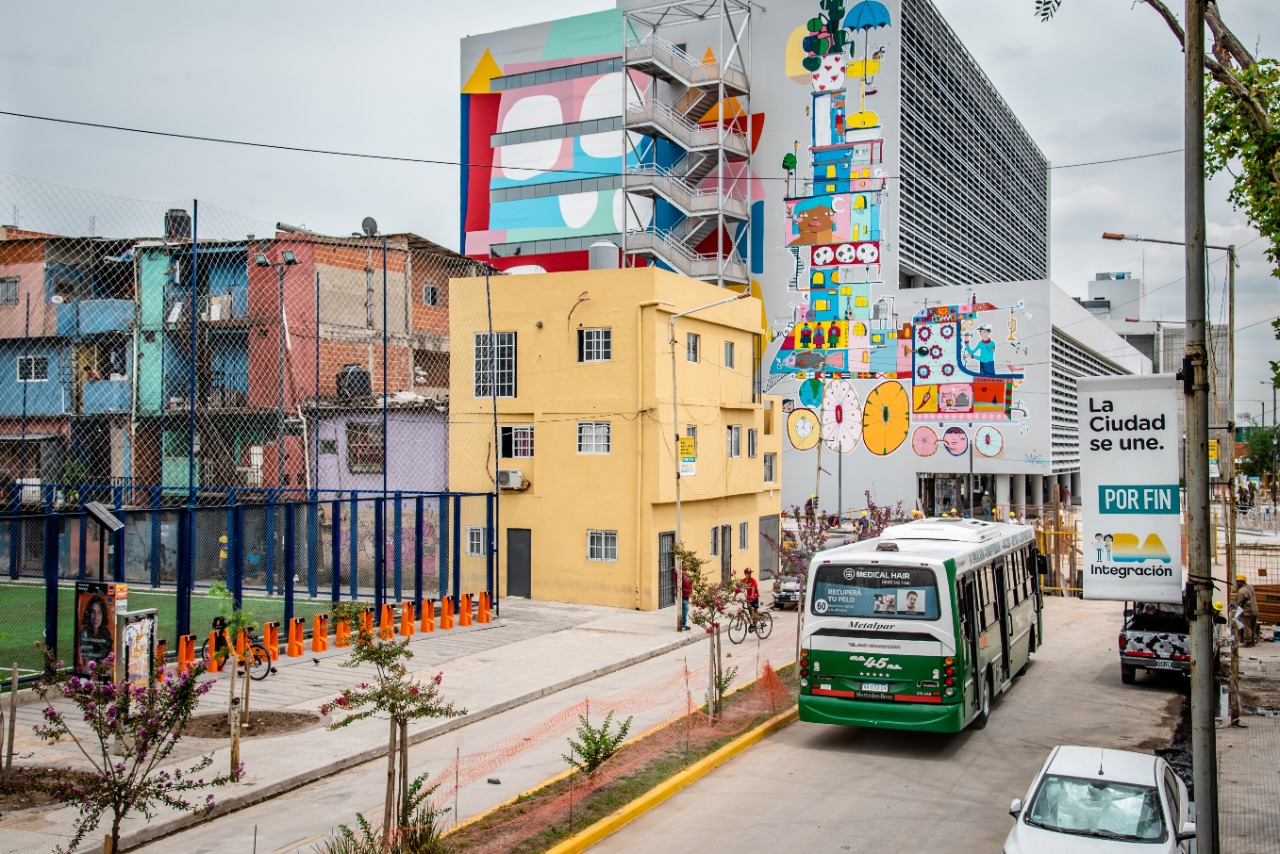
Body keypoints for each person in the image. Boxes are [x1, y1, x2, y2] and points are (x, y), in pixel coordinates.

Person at [76, 595, 112, 673]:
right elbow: (86, 657)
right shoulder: (84, 634)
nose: (96, 617)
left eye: (99, 612)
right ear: (89, 614)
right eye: (93, 612)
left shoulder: (107, 635)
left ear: (103, 615)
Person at [1235, 574, 1259, 646]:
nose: (1237, 583)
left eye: (1239, 582)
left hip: (1247, 612)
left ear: (1242, 582)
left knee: (1247, 627)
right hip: (1255, 610)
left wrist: (1239, 612)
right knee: (1252, 626)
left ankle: (1248, 641)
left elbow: (1239, 603)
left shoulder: (1241, 591)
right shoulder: (1250, 587)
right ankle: (1252, 641)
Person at [678, 565, 693, 631]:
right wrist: (684, 573)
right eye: (685, 564)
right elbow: (676, 572)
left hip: (686, 595)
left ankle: (683, 624)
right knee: (685, 609)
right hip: (682, 595)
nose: (686, 566)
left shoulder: (685, 575)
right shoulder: (679, 573)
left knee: (685, 610)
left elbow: (689, 582)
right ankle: (683, 625)